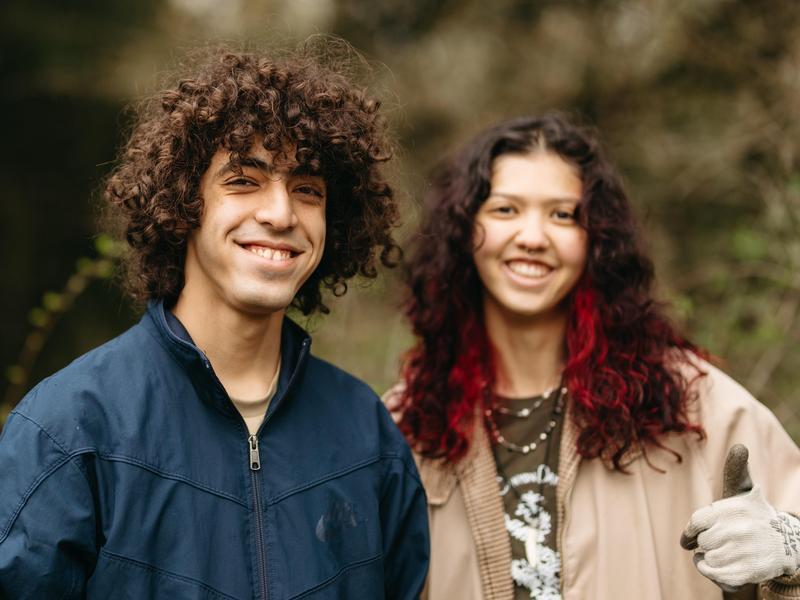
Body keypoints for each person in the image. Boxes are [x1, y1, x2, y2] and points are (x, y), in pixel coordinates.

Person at [0, 46, 428, 599]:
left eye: (307, 189)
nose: (281, 214)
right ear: (182, 204)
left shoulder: (367, 434)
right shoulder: (72, 429)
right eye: (244, 181)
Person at [388, 114, 800, 599]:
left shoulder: (687, 400)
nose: (533, 236)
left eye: (563, 214)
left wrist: (789, 548)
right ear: (463, 231)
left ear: (597, 240)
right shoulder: (407, 424)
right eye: (505, 210)